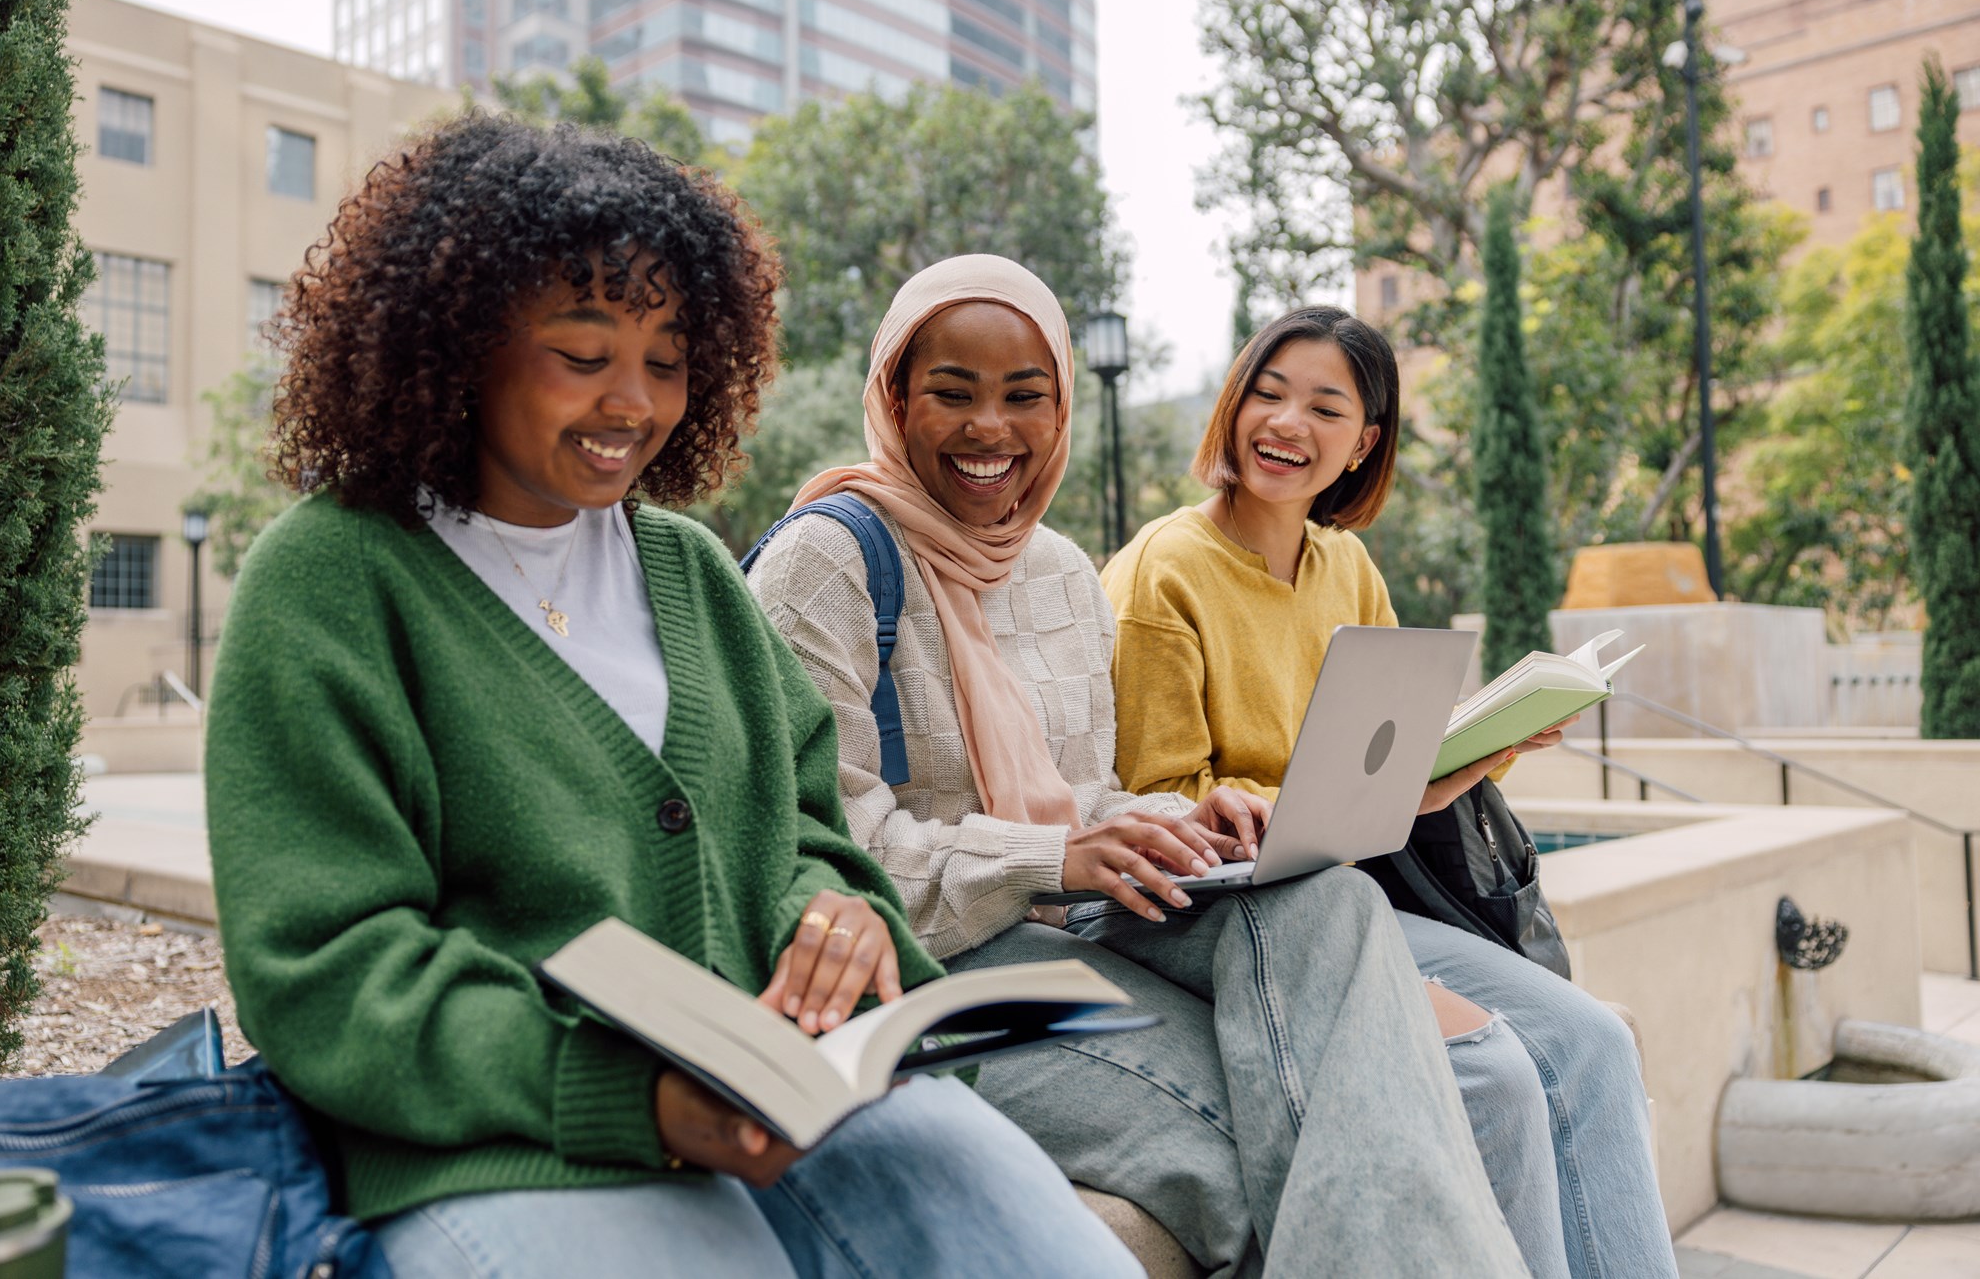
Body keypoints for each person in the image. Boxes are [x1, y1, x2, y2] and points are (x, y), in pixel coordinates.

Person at [203, 117, 1143, 1279]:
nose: (632, 403)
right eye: (583, 353)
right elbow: (327, 963)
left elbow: (805, 830)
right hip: (505, 1140)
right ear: (460, 344)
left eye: (666, 357)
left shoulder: (689, 568)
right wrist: (633, 1093)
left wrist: (837, 915)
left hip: (790, 1094)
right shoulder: (331, 581)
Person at [747, 254, 1536, 1278]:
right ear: (893, 395)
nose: (990, 428)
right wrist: (1059, 851)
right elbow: (817, 859)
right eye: (951, 392)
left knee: (1327, 905)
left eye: (1024, 396)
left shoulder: (1063, 572)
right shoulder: (821, 565)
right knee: (1250, 1144)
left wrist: (1177, 819)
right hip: (925, 967)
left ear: (1060, 405)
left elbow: (1081, 792)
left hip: (1069, 917)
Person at [1101, 305, 1680, 1279]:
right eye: (1268, 392)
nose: (1285, 423)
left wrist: (1478, 751)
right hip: (1232, 909)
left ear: (1361, 443)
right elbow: (1155, 800)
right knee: (1494, 1072)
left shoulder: (1347, 567)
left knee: (1590, 1041)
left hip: (1338, 886)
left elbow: (1368, 785)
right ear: (1232, 402)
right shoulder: (1163, 571)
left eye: (1324, 407)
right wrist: (1250, 802)